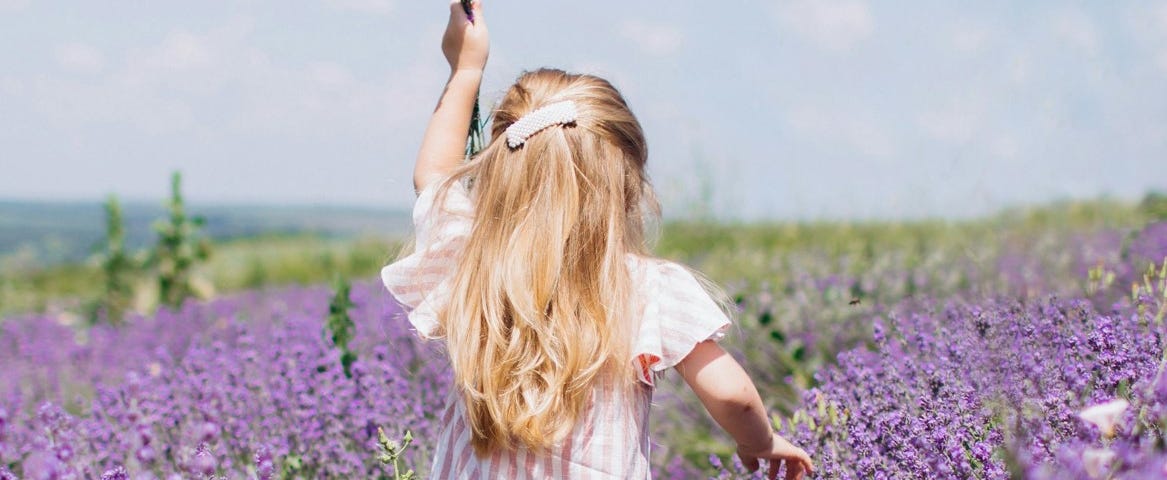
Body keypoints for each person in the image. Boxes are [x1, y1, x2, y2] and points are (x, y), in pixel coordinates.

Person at [381, 2, 814, 478]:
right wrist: (762, 441)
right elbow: (730, 394)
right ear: (628, 186)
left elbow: (434, 178)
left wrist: (465, 70)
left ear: (499, 173)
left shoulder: (472, 264)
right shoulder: (651, 290)